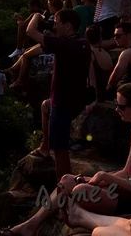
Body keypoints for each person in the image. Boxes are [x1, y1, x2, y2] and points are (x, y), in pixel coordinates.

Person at [0, 83, 131, 236]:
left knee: (80, 191)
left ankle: (77, 216)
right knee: (67, 180)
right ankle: (30, 225)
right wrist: (100, 178)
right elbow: (127, 172)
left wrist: (105, 178)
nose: (117, 110)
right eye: (116, 104)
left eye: (121, 106)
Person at [24, 9, 91, 180]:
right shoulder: (82, 43)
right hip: (76, 100)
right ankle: (44, 146)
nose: (54, 26)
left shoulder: (63, 45)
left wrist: (37, 16)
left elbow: (30, 31)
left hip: (62, 104)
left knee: (60, 150)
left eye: (56, 23)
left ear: (68, 26)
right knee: (44, 106)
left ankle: (65, 188)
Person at [85, 24, 113, 106]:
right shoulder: (106, 54)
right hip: (106, 94)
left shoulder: (90, 54)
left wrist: (92, 101)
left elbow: (92, 79)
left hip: (97, 96)